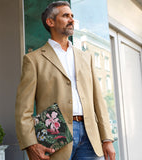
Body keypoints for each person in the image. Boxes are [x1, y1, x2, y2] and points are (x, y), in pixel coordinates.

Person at [15, 1, 116, 160]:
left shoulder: (85, 57)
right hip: (54, 132)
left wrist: (107, 138)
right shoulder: (33, 60)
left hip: (90, 134)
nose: (71, 19)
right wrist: (30, 144)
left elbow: (98, 101)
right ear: (51, 22)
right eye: (65, 16)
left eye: (72, 16)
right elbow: (24, 109)